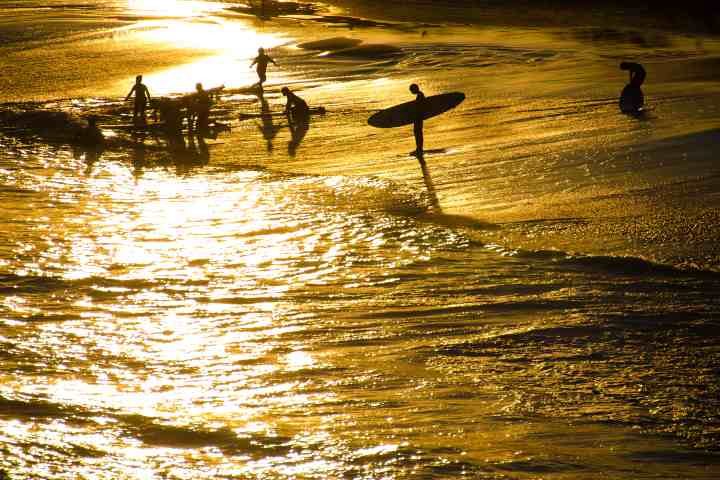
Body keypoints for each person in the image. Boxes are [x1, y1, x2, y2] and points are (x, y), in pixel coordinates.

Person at [409, 83, 425, 155]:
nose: (411, 92)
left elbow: (420, 107)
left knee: (418, 133)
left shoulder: (420, 95)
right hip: (418, 117)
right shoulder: (420, 95)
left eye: (411, 90)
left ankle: (419, 149)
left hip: (418, 117)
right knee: (418, 133)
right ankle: (419, 148)